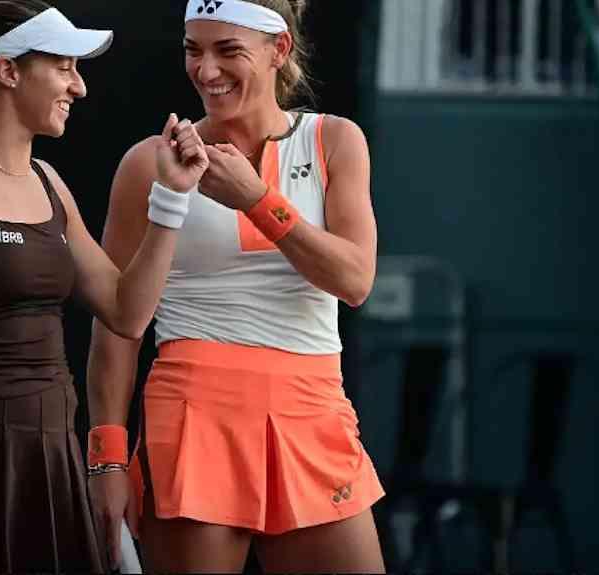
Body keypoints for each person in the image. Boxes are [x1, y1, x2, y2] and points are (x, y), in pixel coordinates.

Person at [0, 1, 225, 572]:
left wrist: (172, 198)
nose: (78, 87)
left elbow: (126, 312)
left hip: (49, 457)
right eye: (63, 67)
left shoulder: (49, 182)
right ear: (7, 71)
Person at [85, 0, 385, 572]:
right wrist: (108, 458)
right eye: (193, 50)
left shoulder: (335, 140)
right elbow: (117, 324)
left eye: (228, 51)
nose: (206, 70)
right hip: (194, 414)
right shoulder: (150, 162)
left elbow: (354, 280)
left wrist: (255, 199)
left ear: (279, 50)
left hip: (314, 409)